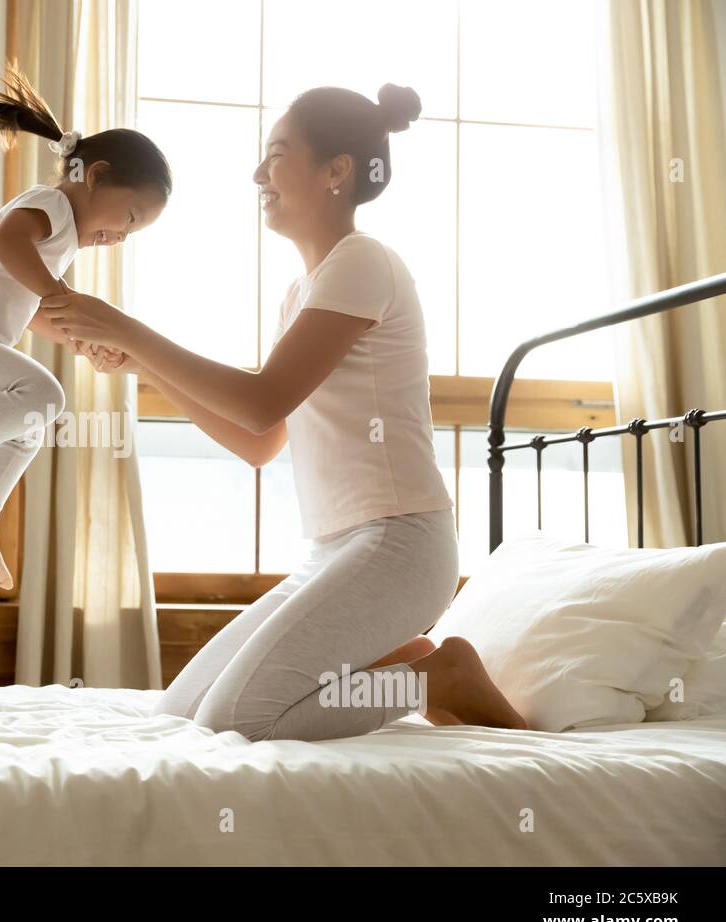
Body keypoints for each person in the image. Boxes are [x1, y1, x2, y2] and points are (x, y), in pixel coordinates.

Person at [44, 84, 526, 741]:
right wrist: (141, 363)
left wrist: (128, 330)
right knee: (182, 715)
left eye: (275, 154)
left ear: (337, 172)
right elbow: (261, 438)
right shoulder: (305, 289)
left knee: (239, 718)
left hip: (399, 544)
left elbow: (262, 398)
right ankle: (404, 665)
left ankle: (439, 678)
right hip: (335, 549)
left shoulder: (363, 261)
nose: (257, 174)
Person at [0, 65, 170, 588]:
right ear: (95, 177)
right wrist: (59, 291)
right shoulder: (49, 204)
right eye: (130, 219)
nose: (122, 237)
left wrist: (84, 339)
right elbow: (7, 242)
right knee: (45, 395)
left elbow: (35, 311)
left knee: (30, 420)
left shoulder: (62, 237)